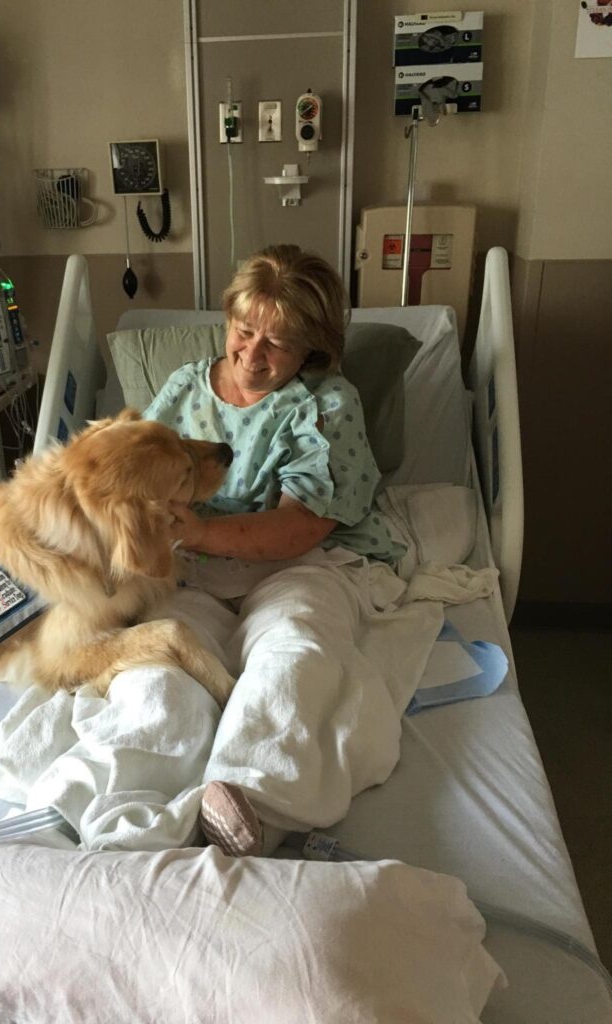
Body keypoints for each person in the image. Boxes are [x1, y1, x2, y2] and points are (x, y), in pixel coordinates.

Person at [143, 244, 408, 856]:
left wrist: (200, 530)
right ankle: (134, 792)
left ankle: (251, 797)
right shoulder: (186, 386)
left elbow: (301, 526)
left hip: (296, 565)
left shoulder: (326, 404)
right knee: (160, 659)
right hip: (191, 570)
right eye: (244, 332)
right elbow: (139, 467)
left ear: (312, 349)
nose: (252, 356)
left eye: (278, 344)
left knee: (294, 650)